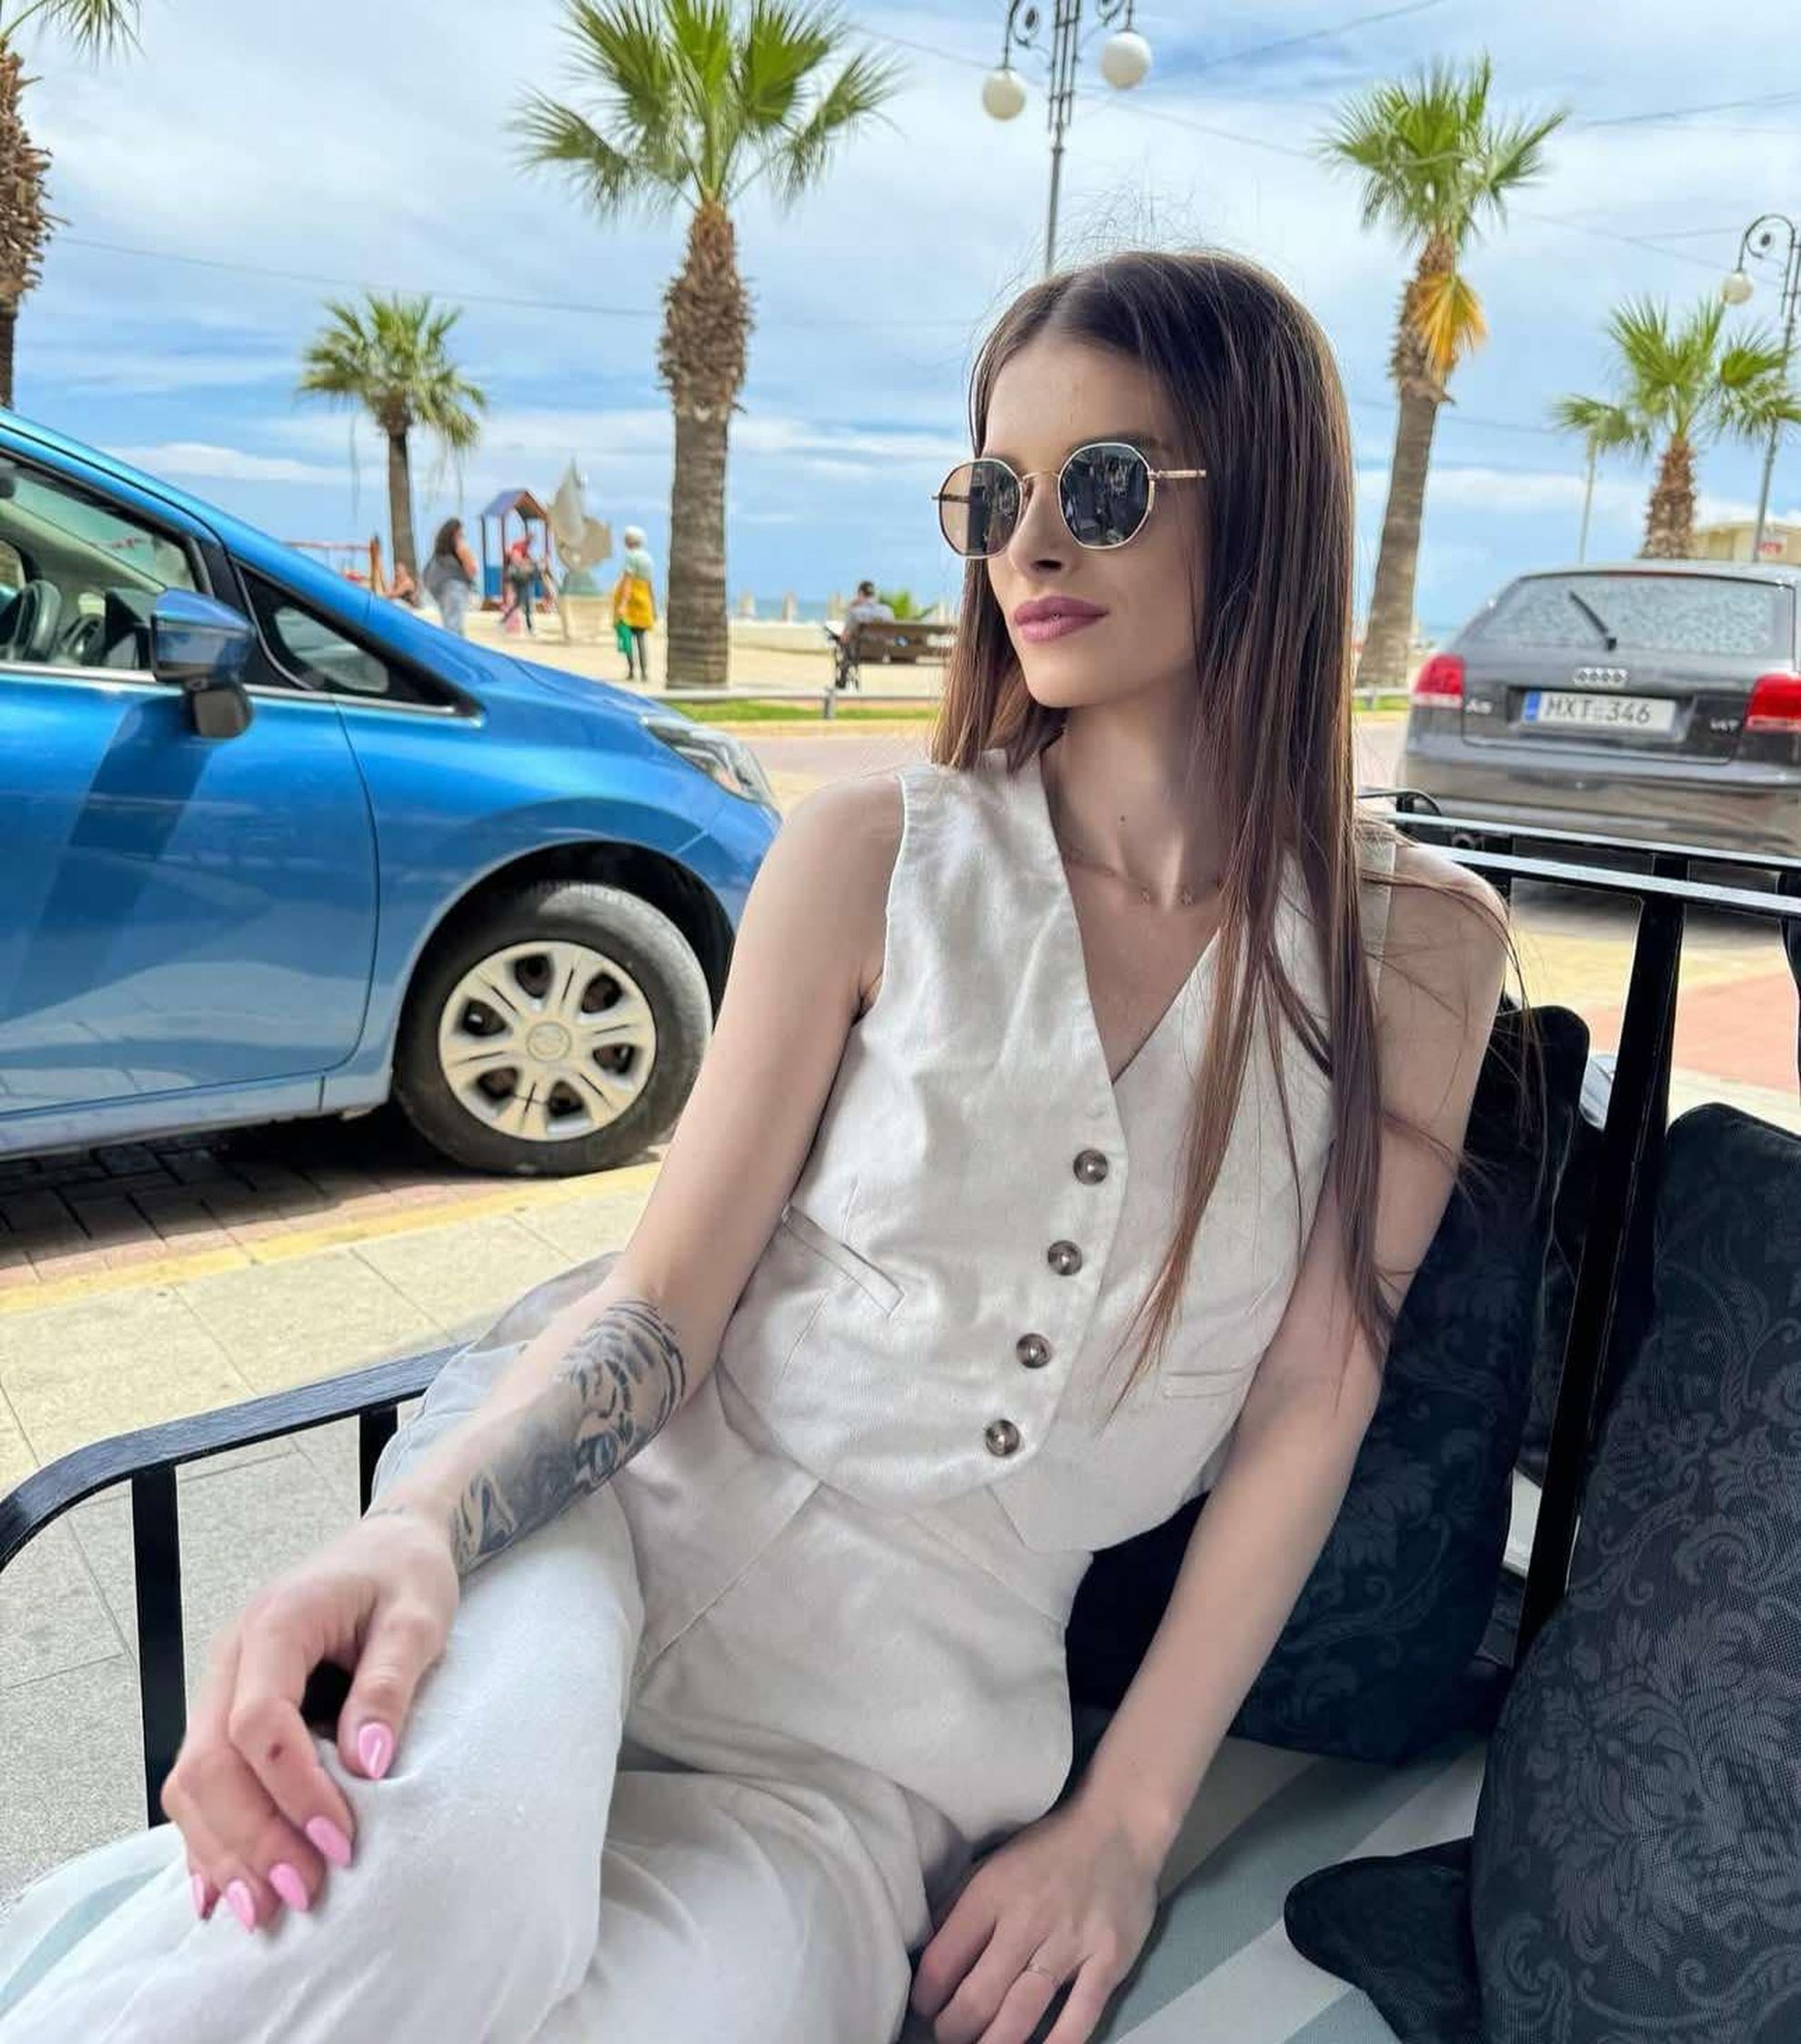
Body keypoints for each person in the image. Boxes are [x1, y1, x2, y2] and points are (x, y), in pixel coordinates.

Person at [0, 249, 1512, 2044]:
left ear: (1264, 499)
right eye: (993, 495)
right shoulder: (874, 853)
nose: (1028, 545)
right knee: (429, 1895)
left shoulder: (1415, 952)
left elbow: (1312, 1397)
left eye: (1103, 486)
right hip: (605, 1540)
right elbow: (664, 1303)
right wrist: (425, 1525)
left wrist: (1124, 1821)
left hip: (877, 1767)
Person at [610, 524, 658, 681]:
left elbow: (628, 582)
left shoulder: (630, 557)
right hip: (644, 600)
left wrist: (622, 604)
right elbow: (650, 585)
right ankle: (644, 673)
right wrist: (653, 607)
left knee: (627, 636)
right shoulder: (648, 558)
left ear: (630, 541)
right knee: (641, 637)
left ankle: (631, 671)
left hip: (631, 602)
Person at [421, 518, 478, 637]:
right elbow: (472, 569)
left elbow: (427, 576)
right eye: (460, 534)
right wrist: (464, 549)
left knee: (450, 623)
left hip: (441, 590)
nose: (463, 537)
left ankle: (457, 646)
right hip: (455, 587)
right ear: (454, 535)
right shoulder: (459, 548)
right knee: (454, 626)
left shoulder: (440, 556)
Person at [498, 532, 543, 635]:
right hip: (520, 579)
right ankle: (529, 628)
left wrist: (532, 562)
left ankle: (505, 621)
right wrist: (530, 563)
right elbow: (516, 559)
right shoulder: (519, 546)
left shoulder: (524, 548)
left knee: (521, 603)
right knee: (524, 603)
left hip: (522, 579)